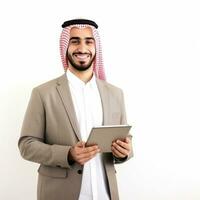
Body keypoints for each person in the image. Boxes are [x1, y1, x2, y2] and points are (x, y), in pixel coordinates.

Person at [18, 19, 133, 200]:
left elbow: (124, 140)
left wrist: (125, 152)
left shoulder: (115, 93)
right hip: (59, 194)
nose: (82, 48)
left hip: (106, 194)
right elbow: (27, 145)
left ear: (96, 47)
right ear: (65, 47)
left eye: (88, 41)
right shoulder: (43, 93)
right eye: (75, 41)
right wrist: (68, 154)